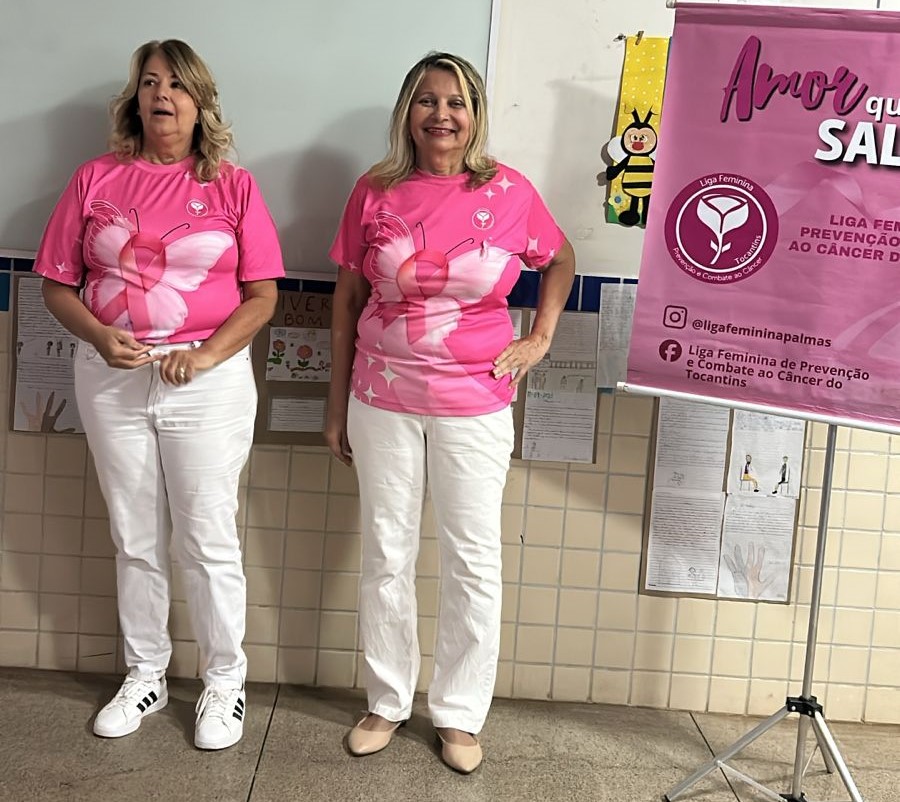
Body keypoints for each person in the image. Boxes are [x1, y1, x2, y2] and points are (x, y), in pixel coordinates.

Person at [325, 51, 575, 773]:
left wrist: (540, 339)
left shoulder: (510, 191)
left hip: (475, 402)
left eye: (457, 102)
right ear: (408, 112)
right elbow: (347, 298)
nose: (442, 115)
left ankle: (460, 715)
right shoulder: (374, 191)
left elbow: (560, 259)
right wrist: (335, 404)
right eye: (428, 101)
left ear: (475, 114)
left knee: (473, 559)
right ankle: (386, 700)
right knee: (386, 554)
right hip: (381, 400)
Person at [32, 39, 284, 750]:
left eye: (177, 84)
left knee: (206, 537)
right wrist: (98, 336)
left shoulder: (233, 186)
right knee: (134, 535)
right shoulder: (95, 178)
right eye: (149, 83)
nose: (162, 95)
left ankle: (224, 682)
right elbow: (56, 285)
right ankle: (146, 673)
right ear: (135, 99)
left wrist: (203, 356)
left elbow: (262, 297)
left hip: (207, 383)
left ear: (200, 102)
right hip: (111, 378)